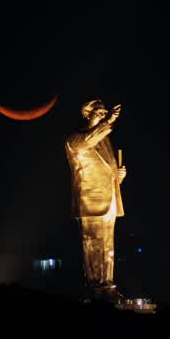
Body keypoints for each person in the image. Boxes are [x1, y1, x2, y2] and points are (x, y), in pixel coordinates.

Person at [65, 99, 127, 302]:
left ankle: (108, 285)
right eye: (98, 112)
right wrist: (107, 122)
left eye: (104, 112)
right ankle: (95, 287)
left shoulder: (104, 139)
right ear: (87, 113)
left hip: (109, 200)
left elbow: (106, 171)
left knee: (108, 247)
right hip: (90, 201)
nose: (102, 114)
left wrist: (118, 176)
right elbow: (87, 142)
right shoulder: (75, 139)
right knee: (93, 246)